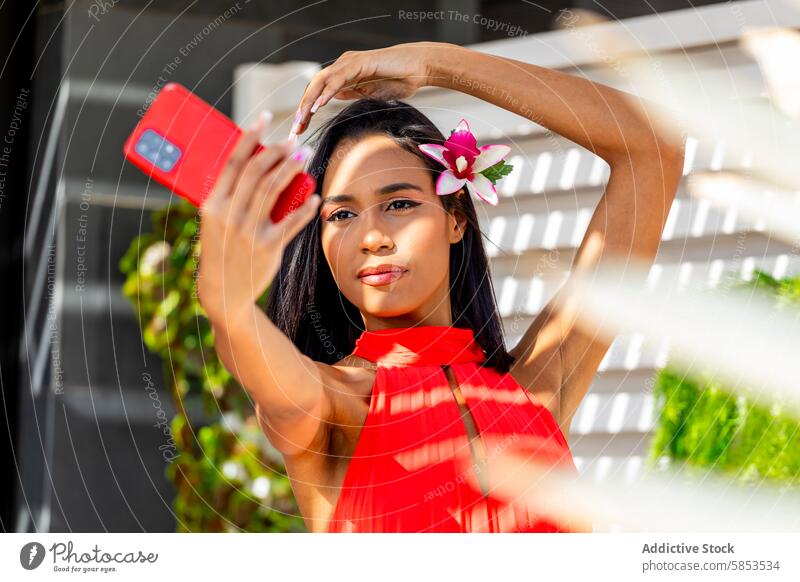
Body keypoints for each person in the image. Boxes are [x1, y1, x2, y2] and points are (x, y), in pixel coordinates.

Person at [196, 41, 685, 532]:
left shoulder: (539, 386)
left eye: (400, 204)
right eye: (341, 215)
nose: (371, 237)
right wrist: (228, 300)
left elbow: (652, 147)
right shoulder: (335, 407)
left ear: (455, 218)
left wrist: (435, 64)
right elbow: (264, 366)